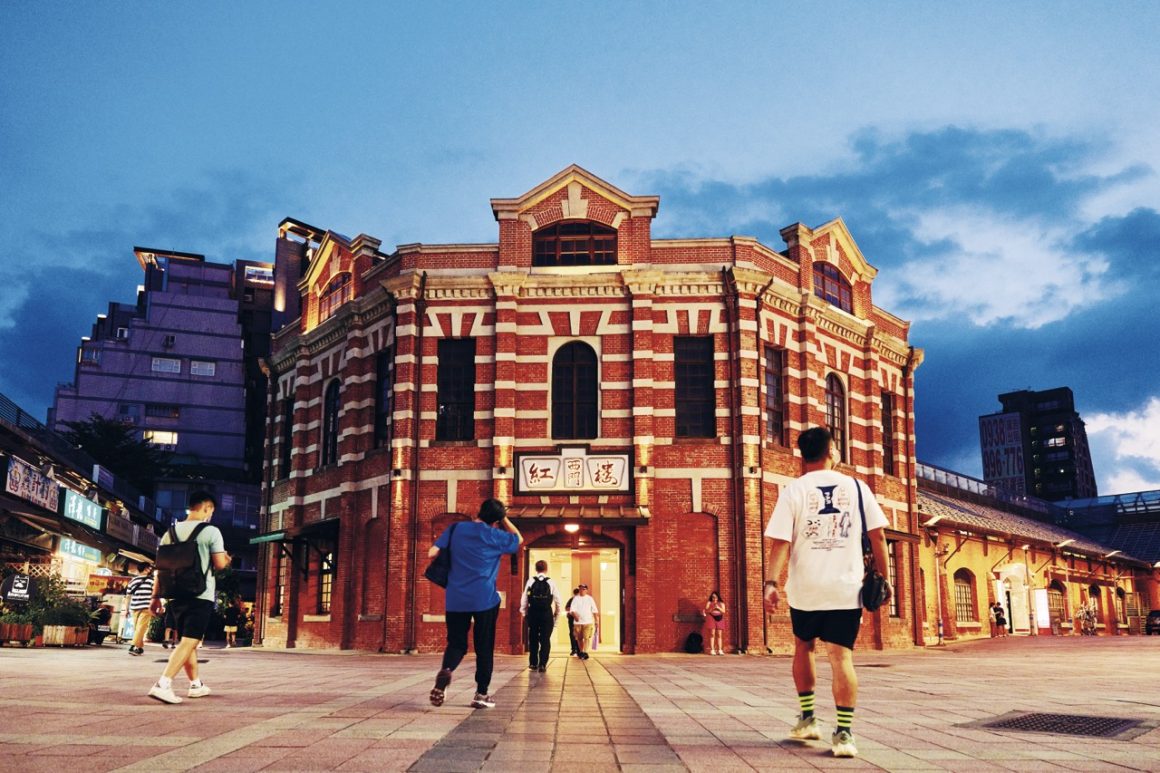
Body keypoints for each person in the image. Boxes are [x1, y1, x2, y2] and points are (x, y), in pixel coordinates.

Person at [763, 426, 890, 759]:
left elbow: (781, 542)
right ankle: (844, 734)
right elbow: (878, 537)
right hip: (845, 589)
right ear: (832, 452)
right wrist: (886, 578)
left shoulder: (793, 490)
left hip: (805, 587)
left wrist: (770, 583)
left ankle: (807, 720)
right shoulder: (858, 488)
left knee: (803, 646)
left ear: (801, 456)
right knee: (841, 656)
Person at [428, 498, 522, 710]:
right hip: (484, 599)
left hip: (455, 597)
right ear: (497, 520)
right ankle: (481, 694)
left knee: (456, 643)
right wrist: (504, 518)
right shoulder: (496, 535)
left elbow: (432, 552)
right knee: (484, 647)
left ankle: (447, 671)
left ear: (479, 511)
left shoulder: (456, 528)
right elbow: (519, 539)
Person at [147, 491, 230, 704]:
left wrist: (155, 597)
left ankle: (196, 685)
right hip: (199, 594)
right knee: (191, 640)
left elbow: (161, 567)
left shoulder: (169, 533)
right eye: (211, 510)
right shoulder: (211, 531)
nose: (210, 514)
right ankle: (163, 684)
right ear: (206, 508)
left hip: (174, 594)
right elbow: (220, 564)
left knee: (187, 641)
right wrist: (227, 558)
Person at [520, 559, 562, 672]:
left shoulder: (530, 581)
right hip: (546, 614)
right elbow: (558, 601)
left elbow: (524, 599)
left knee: (533, 638)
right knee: (545, 639)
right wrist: (556, 617)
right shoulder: (551, 582)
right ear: (546, 569)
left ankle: (533, 663)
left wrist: (524, 613)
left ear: (536, 569)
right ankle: (542, 664)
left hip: (533, 612)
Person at [125, 562, 155, 655]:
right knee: (140, 628)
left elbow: (128, 596)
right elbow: (155, 595)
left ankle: (139, 647)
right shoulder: (151, 581)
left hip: (134, 607)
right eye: (149, 568)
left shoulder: (132, 581)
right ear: (146, 569)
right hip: (146, 607)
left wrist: (127, 609)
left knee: (138, 628)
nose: (150, 570)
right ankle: (133, 647)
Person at [569, 583, 599, 660]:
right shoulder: (575, 598)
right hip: (577, 623)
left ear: (586, 590)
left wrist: (596, 620)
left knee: (586, 638)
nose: (581, 590)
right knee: (579, 638)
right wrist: (575, 615)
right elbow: (572, 609)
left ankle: (585, 652)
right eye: (580, 589)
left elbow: (594, 610)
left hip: (588, 622)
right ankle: (581, 652)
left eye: (583, 589)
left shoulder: (590, 599)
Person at [703, 591, 726, 655]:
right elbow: (707, 611)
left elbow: (723, 611)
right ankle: (712, 650)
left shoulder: (721, 603)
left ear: (718, 597)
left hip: (720, 618)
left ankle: (720, 650)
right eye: (713, 597)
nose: (714, 598)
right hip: (711, 618)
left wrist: (718, 607)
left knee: (719, 634)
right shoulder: (709, 602)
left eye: (716, 597)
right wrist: (713, 608)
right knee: (712, 633)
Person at [565, 588, 580, 656]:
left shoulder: (573, 599)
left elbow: (567, 608)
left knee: (574, 634)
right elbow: (567, 608)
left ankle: (575, 649)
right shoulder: (572, 599)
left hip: (574, 619)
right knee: (574, 634)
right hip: (574, 619)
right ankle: (575, 649)